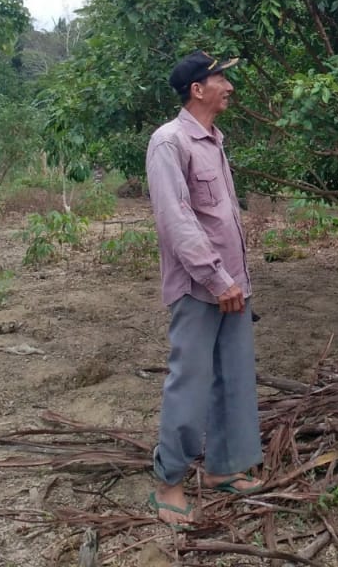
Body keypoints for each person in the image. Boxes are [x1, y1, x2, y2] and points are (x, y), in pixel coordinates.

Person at [145, 50, 264, 526]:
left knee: (234, 378)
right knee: (189, 384)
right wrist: (217, 279)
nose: (229, 87)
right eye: (222, 79)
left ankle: (224, 469)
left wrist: (234, 280)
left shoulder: (213, 140)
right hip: (201, 288)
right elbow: (177, 222)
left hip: (233, 284)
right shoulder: (168, 143)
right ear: (198, 89)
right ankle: (168, 482)